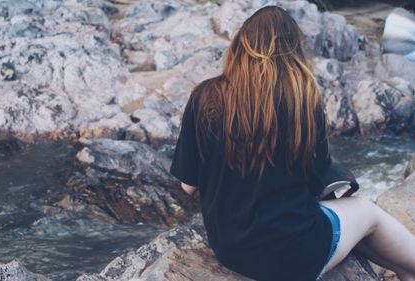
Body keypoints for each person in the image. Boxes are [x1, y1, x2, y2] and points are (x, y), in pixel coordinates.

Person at [169, 5, 415, 281]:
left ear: (240, 46)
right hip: (294, 257)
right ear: (293, 52)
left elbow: (188, 186)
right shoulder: (302, 100)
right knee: (367, 212)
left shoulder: (204, 97)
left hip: (231, 251)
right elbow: (317, 185)